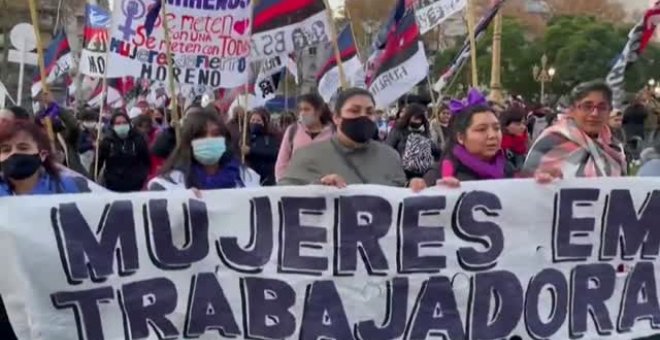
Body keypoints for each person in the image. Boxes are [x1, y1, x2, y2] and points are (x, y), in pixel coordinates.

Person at [278, 88, 426, 191]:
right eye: (354, 111)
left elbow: (399, 194)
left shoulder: (390, 156)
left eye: (369, 111)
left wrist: (412, 187)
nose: (363, 116)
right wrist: (318, 187)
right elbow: (283, 196)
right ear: (336, 118)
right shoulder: (307, 155)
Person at [523, 81, 626, 178]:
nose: (594, 114)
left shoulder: (614, 147)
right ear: (572, 110)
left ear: (609, 112)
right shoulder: (552, 141)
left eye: (602, 107)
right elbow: (527, 183)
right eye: (587, 106)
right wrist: (543, 180)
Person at [424, 89, 515, 185]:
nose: (492, 135)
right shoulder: (438, 174)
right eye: (481, 129)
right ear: (461, 137)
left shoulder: (508, 169)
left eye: (496, 128)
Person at [148, 110, 248, 191]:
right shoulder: (168, 185)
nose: (209, 139)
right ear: (189, 142)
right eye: (200, 135)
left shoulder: (247, 178)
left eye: (215, 134)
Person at [275, 93, 334, 181]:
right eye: (300, 110)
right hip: (296, 186)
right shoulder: (293, 131)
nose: (302, 113)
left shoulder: (333, 133)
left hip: (325, 187)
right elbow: (282, 161)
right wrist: (282, 182)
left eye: (307, 109)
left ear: (318, 111)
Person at [97, 112, 151, 192]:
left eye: (124, 123)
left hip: (136, 184)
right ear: (112, 126)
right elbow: (98, 162)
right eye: (118, 123)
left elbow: (146, 160)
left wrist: (142, 176)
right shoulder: (107, 141)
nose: (122, 125)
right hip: (113, 184)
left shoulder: (138, 139)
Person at [386, 103, 438, 179]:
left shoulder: (424, 132)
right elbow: (388, 149)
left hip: (423, 174)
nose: (418, 121)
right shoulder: (398, 131)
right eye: (416, 118)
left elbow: (434, 150)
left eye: (420, 119)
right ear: (408, 117)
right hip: (402, 173)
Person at [243, 107, 280, 186]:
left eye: (258, 120)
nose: (255, 123)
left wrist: (251, 150)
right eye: (253, 120)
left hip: (266, 179)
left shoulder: (270, 136)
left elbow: (273, 152)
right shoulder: (244, 137)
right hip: (249, 178)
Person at [500, 107, 529, 172]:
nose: (523, 127)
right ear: (506, 126)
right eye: (518, 124)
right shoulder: (499, 147)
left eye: (524, 124)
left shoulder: (524, 143)